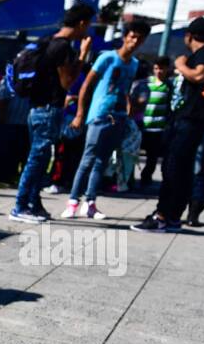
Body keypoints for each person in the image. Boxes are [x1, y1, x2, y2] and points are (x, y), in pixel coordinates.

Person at [133, 18, 204, 232]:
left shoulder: (203, 54)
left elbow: (199, 75)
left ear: (190, 36)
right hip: (188, 121)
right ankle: (172, 216)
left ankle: (162, 216)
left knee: (173, 169)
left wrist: (180, 64)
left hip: (188, 121)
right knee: (180, 169)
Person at [10, 3, 94, 223]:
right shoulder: (62, 47)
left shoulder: (47, 41)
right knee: (37, 159)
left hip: (37, 108)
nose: (88, 29)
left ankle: (32, 203)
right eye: (89, 24)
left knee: (40, 158)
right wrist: (83, 55)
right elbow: (67, 82)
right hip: (48, 109)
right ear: (82, 23)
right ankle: (20, 206)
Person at [63, 19, 148, 220]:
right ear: (125, 36)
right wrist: (80, 114)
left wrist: (129, 108)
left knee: (102, 161)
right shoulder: (107, 58)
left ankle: (90, 202)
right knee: (88, 159)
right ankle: (73, 202)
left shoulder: (134, 64)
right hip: (99, 115)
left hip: (117, 117)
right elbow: (87, 86)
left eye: (140, 39)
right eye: (132, 36)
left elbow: (125, 89)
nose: (135, 41)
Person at [139, 56, 172, 188]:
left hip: (158, 128)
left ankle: (145, 179)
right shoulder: (147, 83)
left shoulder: (169, 86)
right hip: (143, 125)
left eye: (162, 69)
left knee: (152, 157)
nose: (159, 71)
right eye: (156, 68)